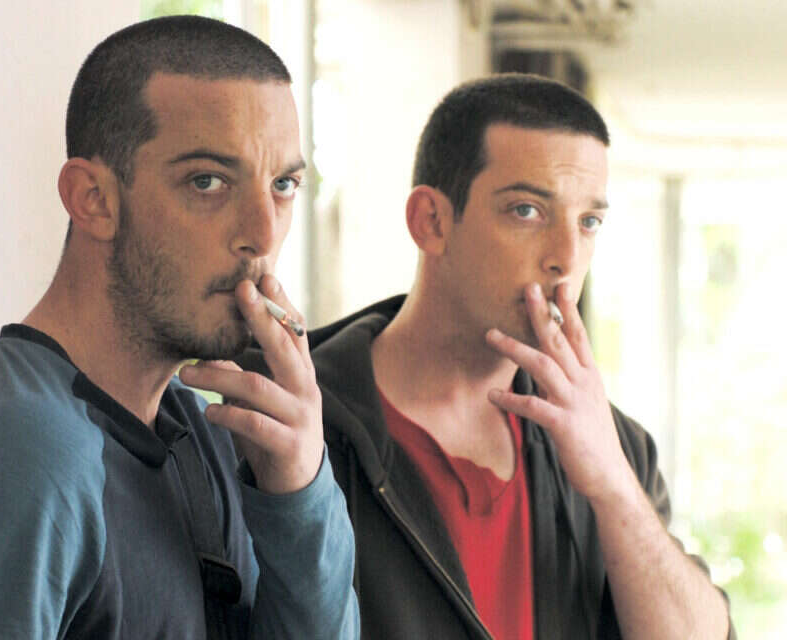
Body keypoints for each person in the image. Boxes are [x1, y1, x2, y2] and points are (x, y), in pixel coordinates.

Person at [0, 16, 358, 639]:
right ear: (93, 198)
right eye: (207, 182)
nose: (262, 234)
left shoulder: (196, 427)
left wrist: (300, 496)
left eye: (283, 184)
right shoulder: (20, 455)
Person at [239, 74, 734, 639]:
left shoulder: (612, 444)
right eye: (527, 211)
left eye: (589, 222)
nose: (566, 257)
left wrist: (613, 483)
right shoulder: (288, 421)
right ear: (431, 222)